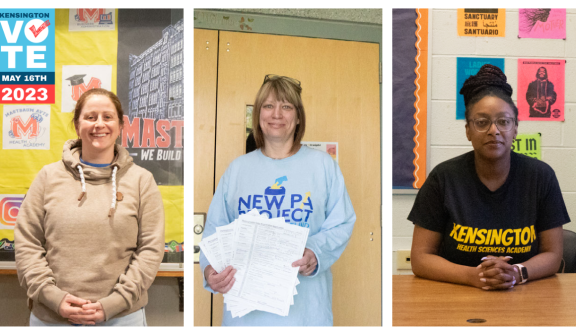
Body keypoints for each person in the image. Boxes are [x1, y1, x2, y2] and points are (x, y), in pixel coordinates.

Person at [199, 75, 356, 326]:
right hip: (245, 318)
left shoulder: (323, 166)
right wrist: (210, 272)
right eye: (268, 106)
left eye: (286, 106)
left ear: (298, 117)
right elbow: (213, 234)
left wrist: (315, 251)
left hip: (306, 315)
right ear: (258, 116)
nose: (277, 114)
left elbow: (342, 223)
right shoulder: (237, 170)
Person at [408, 64, 569, 290]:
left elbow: (553, 254)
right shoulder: (443, 178)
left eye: (503, 121)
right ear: (468, 131)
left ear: (515, 130)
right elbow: (420, 258)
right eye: (482, 122)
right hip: (456, 295)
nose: (494, 130)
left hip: (524, 296)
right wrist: (473, 276)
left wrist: (516, 273)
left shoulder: (541, 177)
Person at [14, 88, 165, 326]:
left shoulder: (141, 180)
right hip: (51, 318)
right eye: (90, 117)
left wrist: (114, 303)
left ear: (120, 125)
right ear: (77, 125)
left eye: (107, 117)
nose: (99, 124)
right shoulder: (48, 177)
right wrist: (53, 298)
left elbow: (150, 249)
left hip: (122, 318)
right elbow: (27, 243)